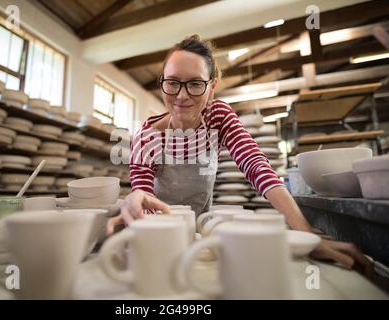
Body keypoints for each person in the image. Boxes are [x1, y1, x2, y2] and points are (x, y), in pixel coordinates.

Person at [107, 35, 372, 277]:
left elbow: (257, 167)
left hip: (201, 232)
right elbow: (142, 195)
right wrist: (134, 199)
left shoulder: (218, 116)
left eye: (196, 84)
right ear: (162, 83)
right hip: (160, 235)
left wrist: (306, 236)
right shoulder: (147, 135)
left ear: (212, 87)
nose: (182, 95)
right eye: (173, 83)